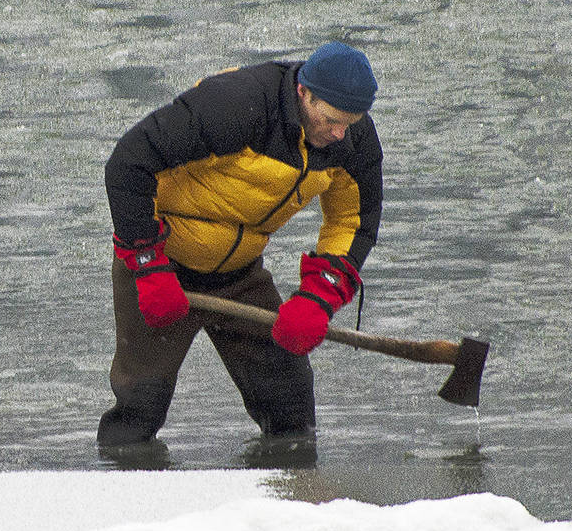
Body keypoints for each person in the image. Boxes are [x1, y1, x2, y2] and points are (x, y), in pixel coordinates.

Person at [99, 41, 383, 451]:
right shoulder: (235, 103)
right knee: (141, 404)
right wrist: (148, 264)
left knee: (289, 404)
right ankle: (122, 490)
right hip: (165, 264)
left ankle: (286, 498)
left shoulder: (350, 140)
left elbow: (352, 221)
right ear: (304, 92)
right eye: (332, 119)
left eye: (351, 122)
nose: (339, 133)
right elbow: (129, 162)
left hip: (241, 273)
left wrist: (318, 296)